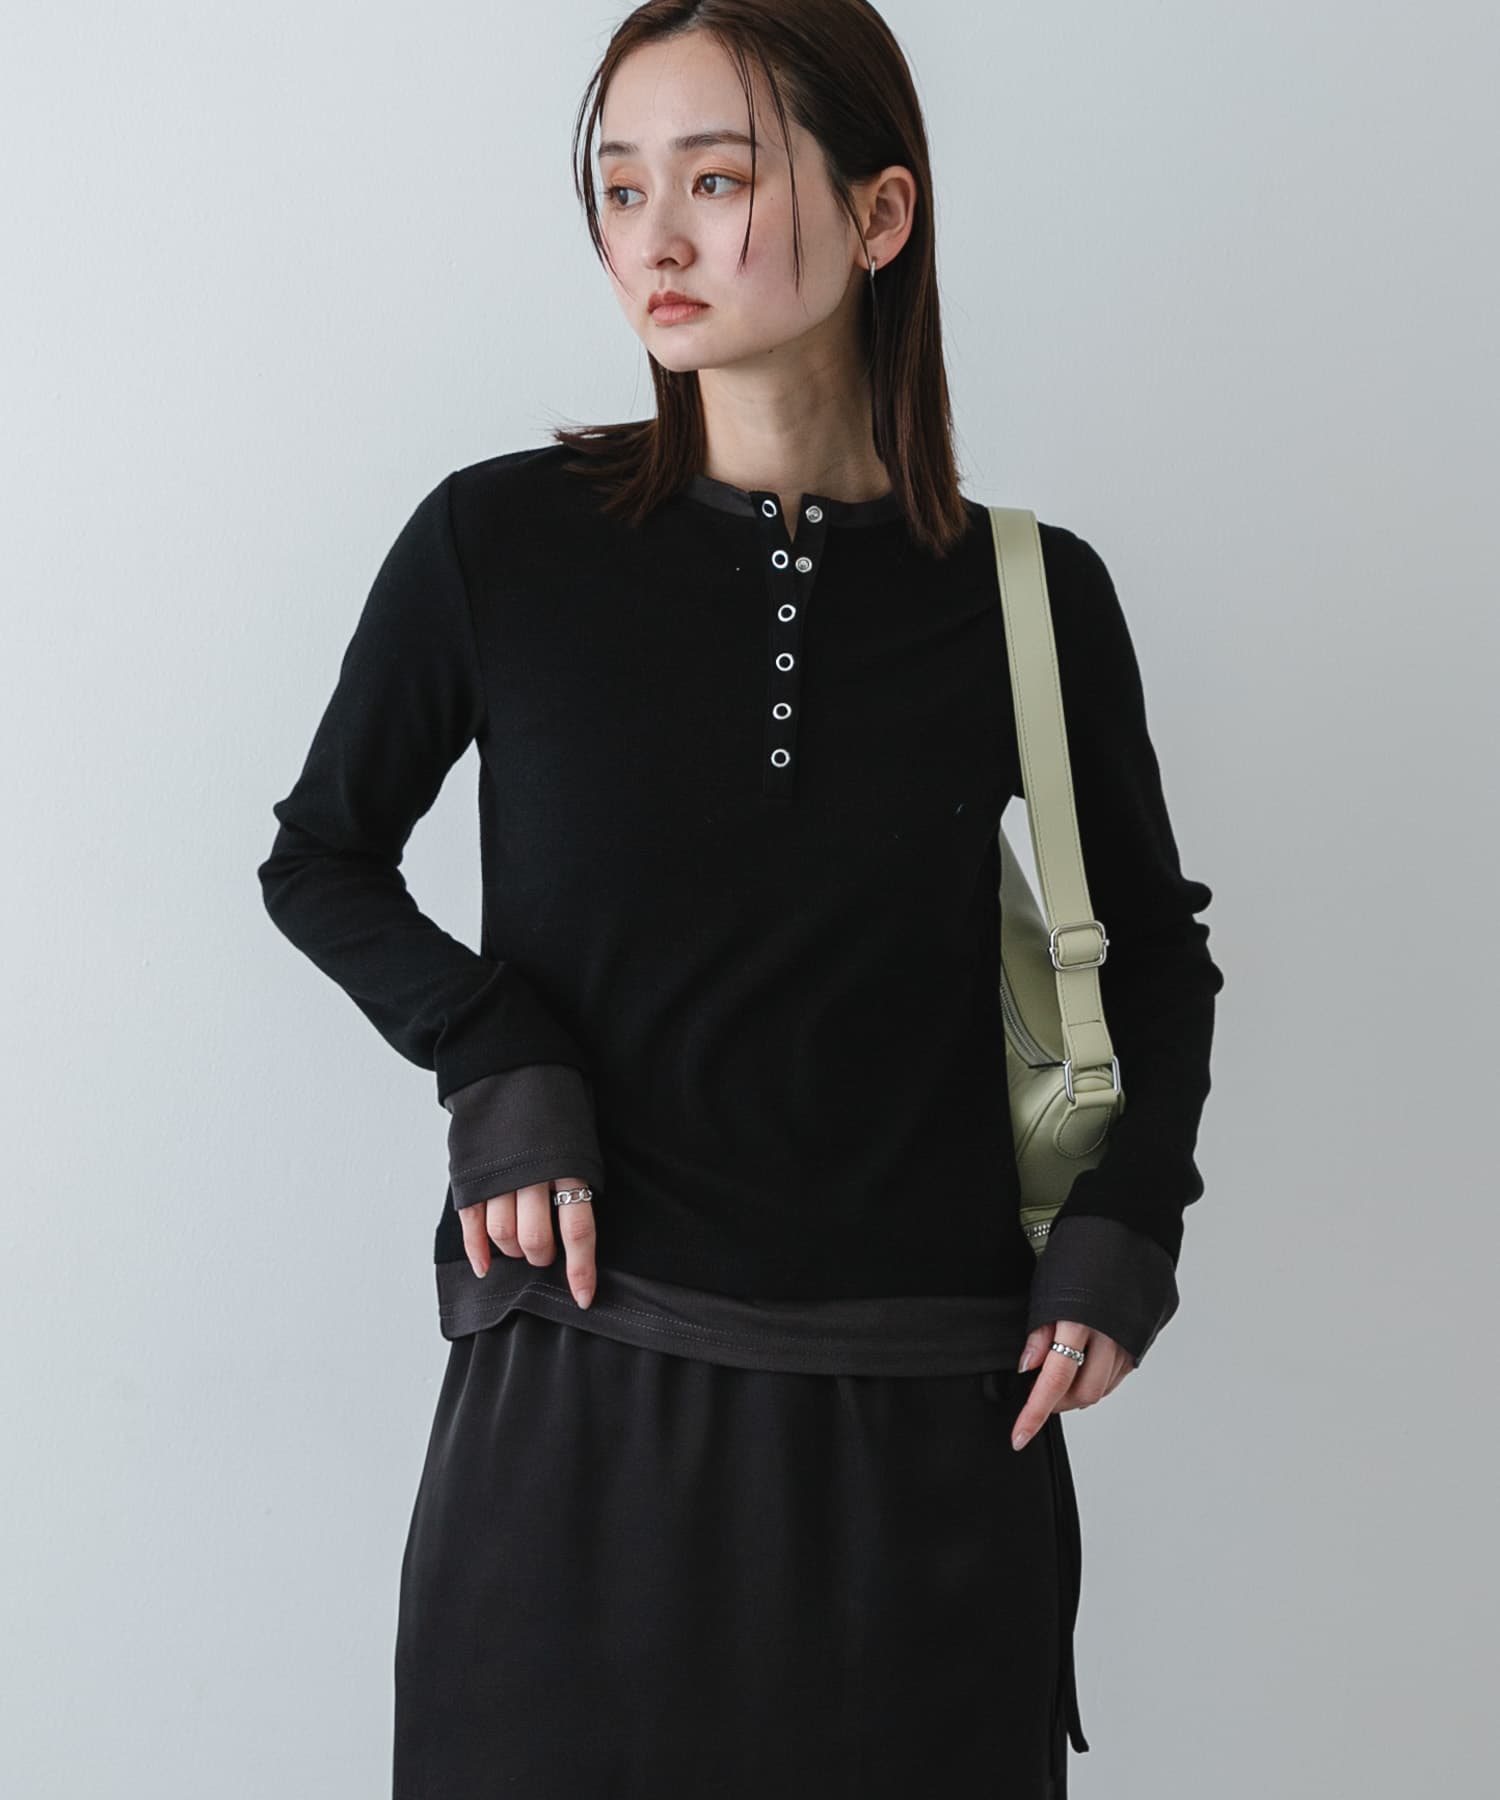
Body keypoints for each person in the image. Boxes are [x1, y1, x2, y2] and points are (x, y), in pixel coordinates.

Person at [256, 5, 1224, 1796]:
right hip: (577, 1416)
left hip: (928, 1449)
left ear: (880, 214)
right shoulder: (498, 544)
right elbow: (321, 856)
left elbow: (1158, 960)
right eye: (623, 187)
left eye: (717, 179)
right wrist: (493, 1051)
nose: (657, 237)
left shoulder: (1031, 599)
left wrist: (1127, 1229)